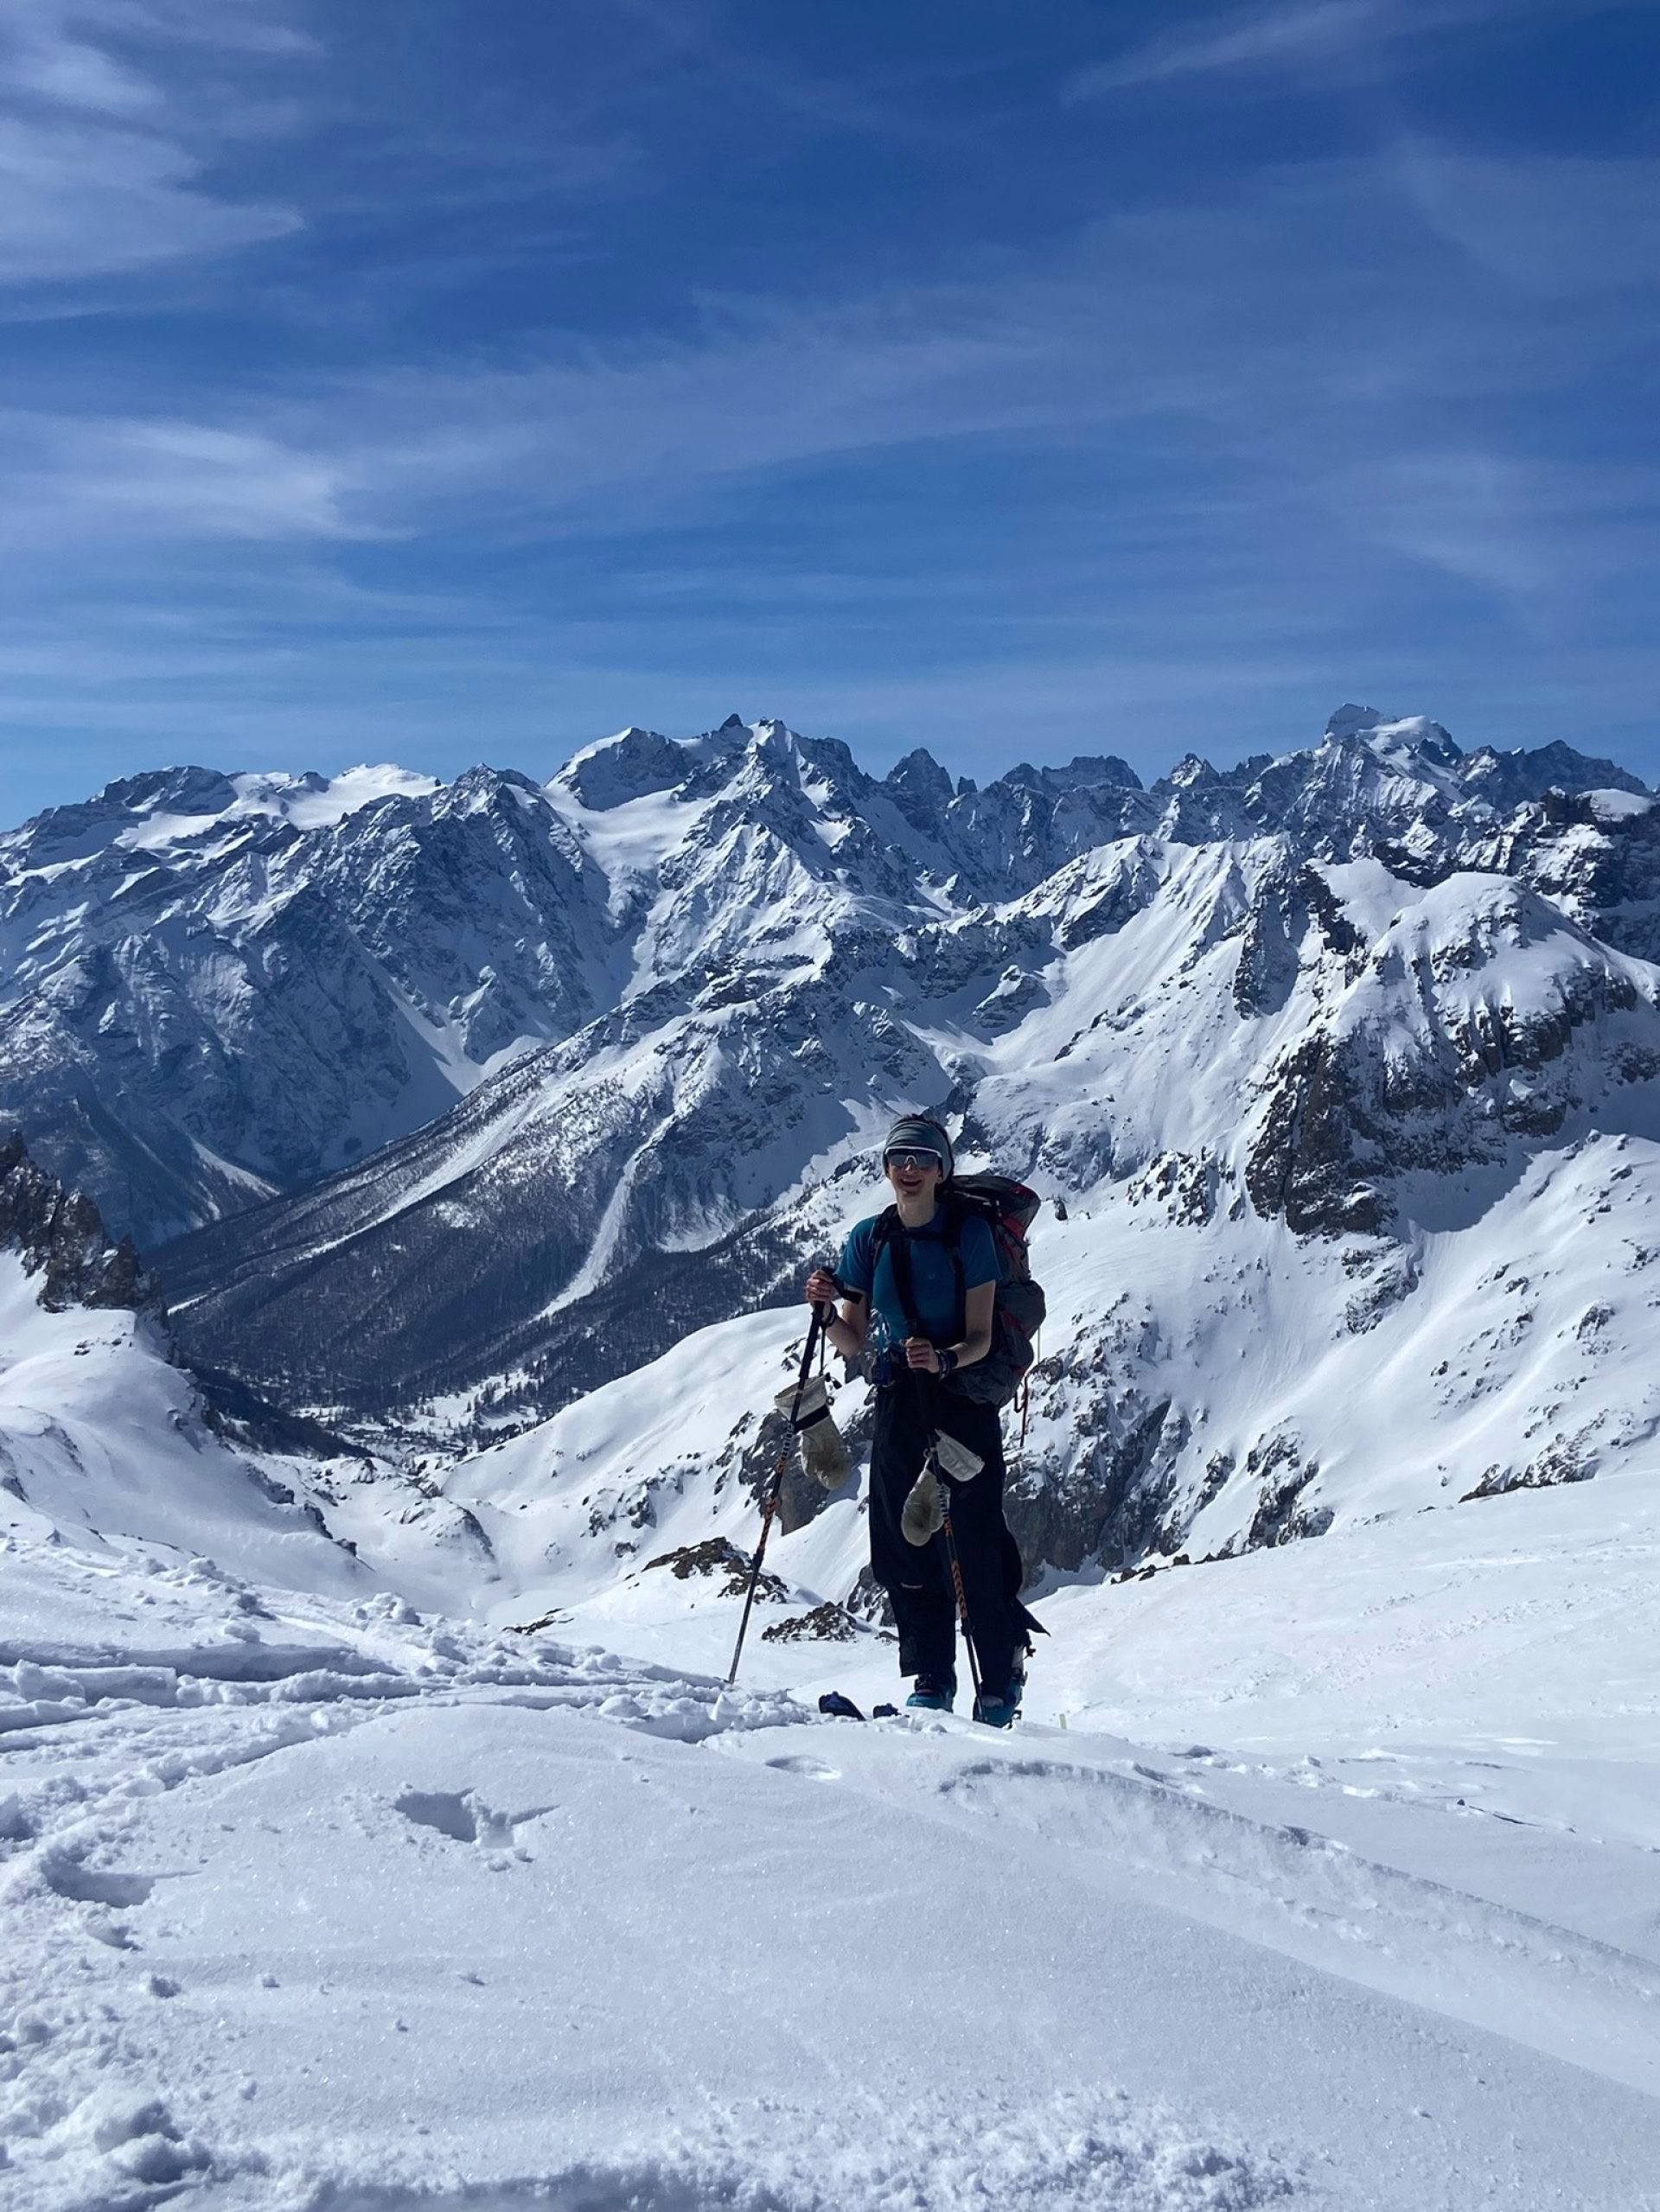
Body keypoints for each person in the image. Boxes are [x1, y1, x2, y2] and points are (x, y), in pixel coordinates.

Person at [805, 1114, 1030, 1726]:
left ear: (941, 1170)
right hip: (902, 1395)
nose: (909, 1170)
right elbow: (853, 1340)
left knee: (973, 1535)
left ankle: (998, 1671)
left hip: (961, 1397)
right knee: (905, 1540)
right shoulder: (869, 1239)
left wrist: (947, 1356)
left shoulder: (969, 1234)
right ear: (886, 1167)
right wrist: (826, 1314)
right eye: (899, 1158)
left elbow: (982, 1336)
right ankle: (932, 1673)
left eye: (922, 1159)